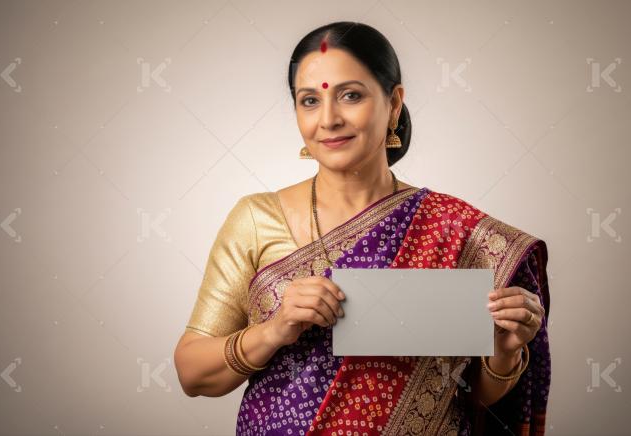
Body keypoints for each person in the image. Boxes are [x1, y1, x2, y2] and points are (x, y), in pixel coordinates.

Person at [173, 21, 550, 436]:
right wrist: (274, 330)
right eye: (310, 100)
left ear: (393, 102)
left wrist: (504, 351)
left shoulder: (457, 232)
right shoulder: (256, 220)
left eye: (350, 95)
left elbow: (470, 398)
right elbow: (192, 373)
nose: (329, 119)